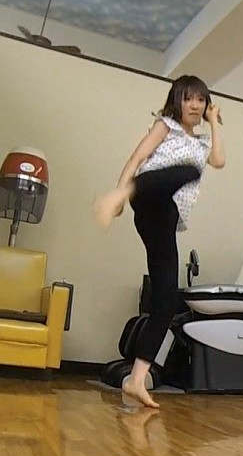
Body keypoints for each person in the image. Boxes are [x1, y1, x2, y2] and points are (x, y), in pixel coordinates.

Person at [93, 75, 226, 408]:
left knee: (165, 301)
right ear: (176, 101)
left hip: (165, 219)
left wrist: (214, 122)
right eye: (188, 98)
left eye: (201, 100)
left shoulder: (202, 143)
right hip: (147, 195)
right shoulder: (166, 125)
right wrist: (120, 194)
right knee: (189, 170)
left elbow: (219, 161)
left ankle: (136, 380)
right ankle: (122, 194)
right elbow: (137, 158)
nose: (194, 105)